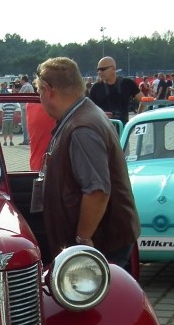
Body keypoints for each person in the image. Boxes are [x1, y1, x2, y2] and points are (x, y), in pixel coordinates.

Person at [33, 57, 140, 270]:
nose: (40, 98)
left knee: (98, 302)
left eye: (38, 92)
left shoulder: (82, 128)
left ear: (48, 90)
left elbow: (97, 190)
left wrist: (83, 241)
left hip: (100, 243)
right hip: (102, 239)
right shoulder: (84, 115)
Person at [87, 56, 143, 124]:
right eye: (98, 70)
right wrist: (100, 115)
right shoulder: (96, 87)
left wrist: (137, 119)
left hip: (122, 129)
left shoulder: (127, 83)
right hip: (103, 129)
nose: (99, 72)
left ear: (113, 69)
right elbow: (88, 111)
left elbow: (143, 100)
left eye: (102, 69)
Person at [18, 74, 34, 145]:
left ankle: (26, 139)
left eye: (21, 80)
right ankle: (29, 139)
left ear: (23, 80)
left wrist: (15, 91)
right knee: (29, 123)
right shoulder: (30, 86)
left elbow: (20, 95)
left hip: (25, 107)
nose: (20, 81)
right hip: (30, 106)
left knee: (24, 124)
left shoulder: (25, 86)